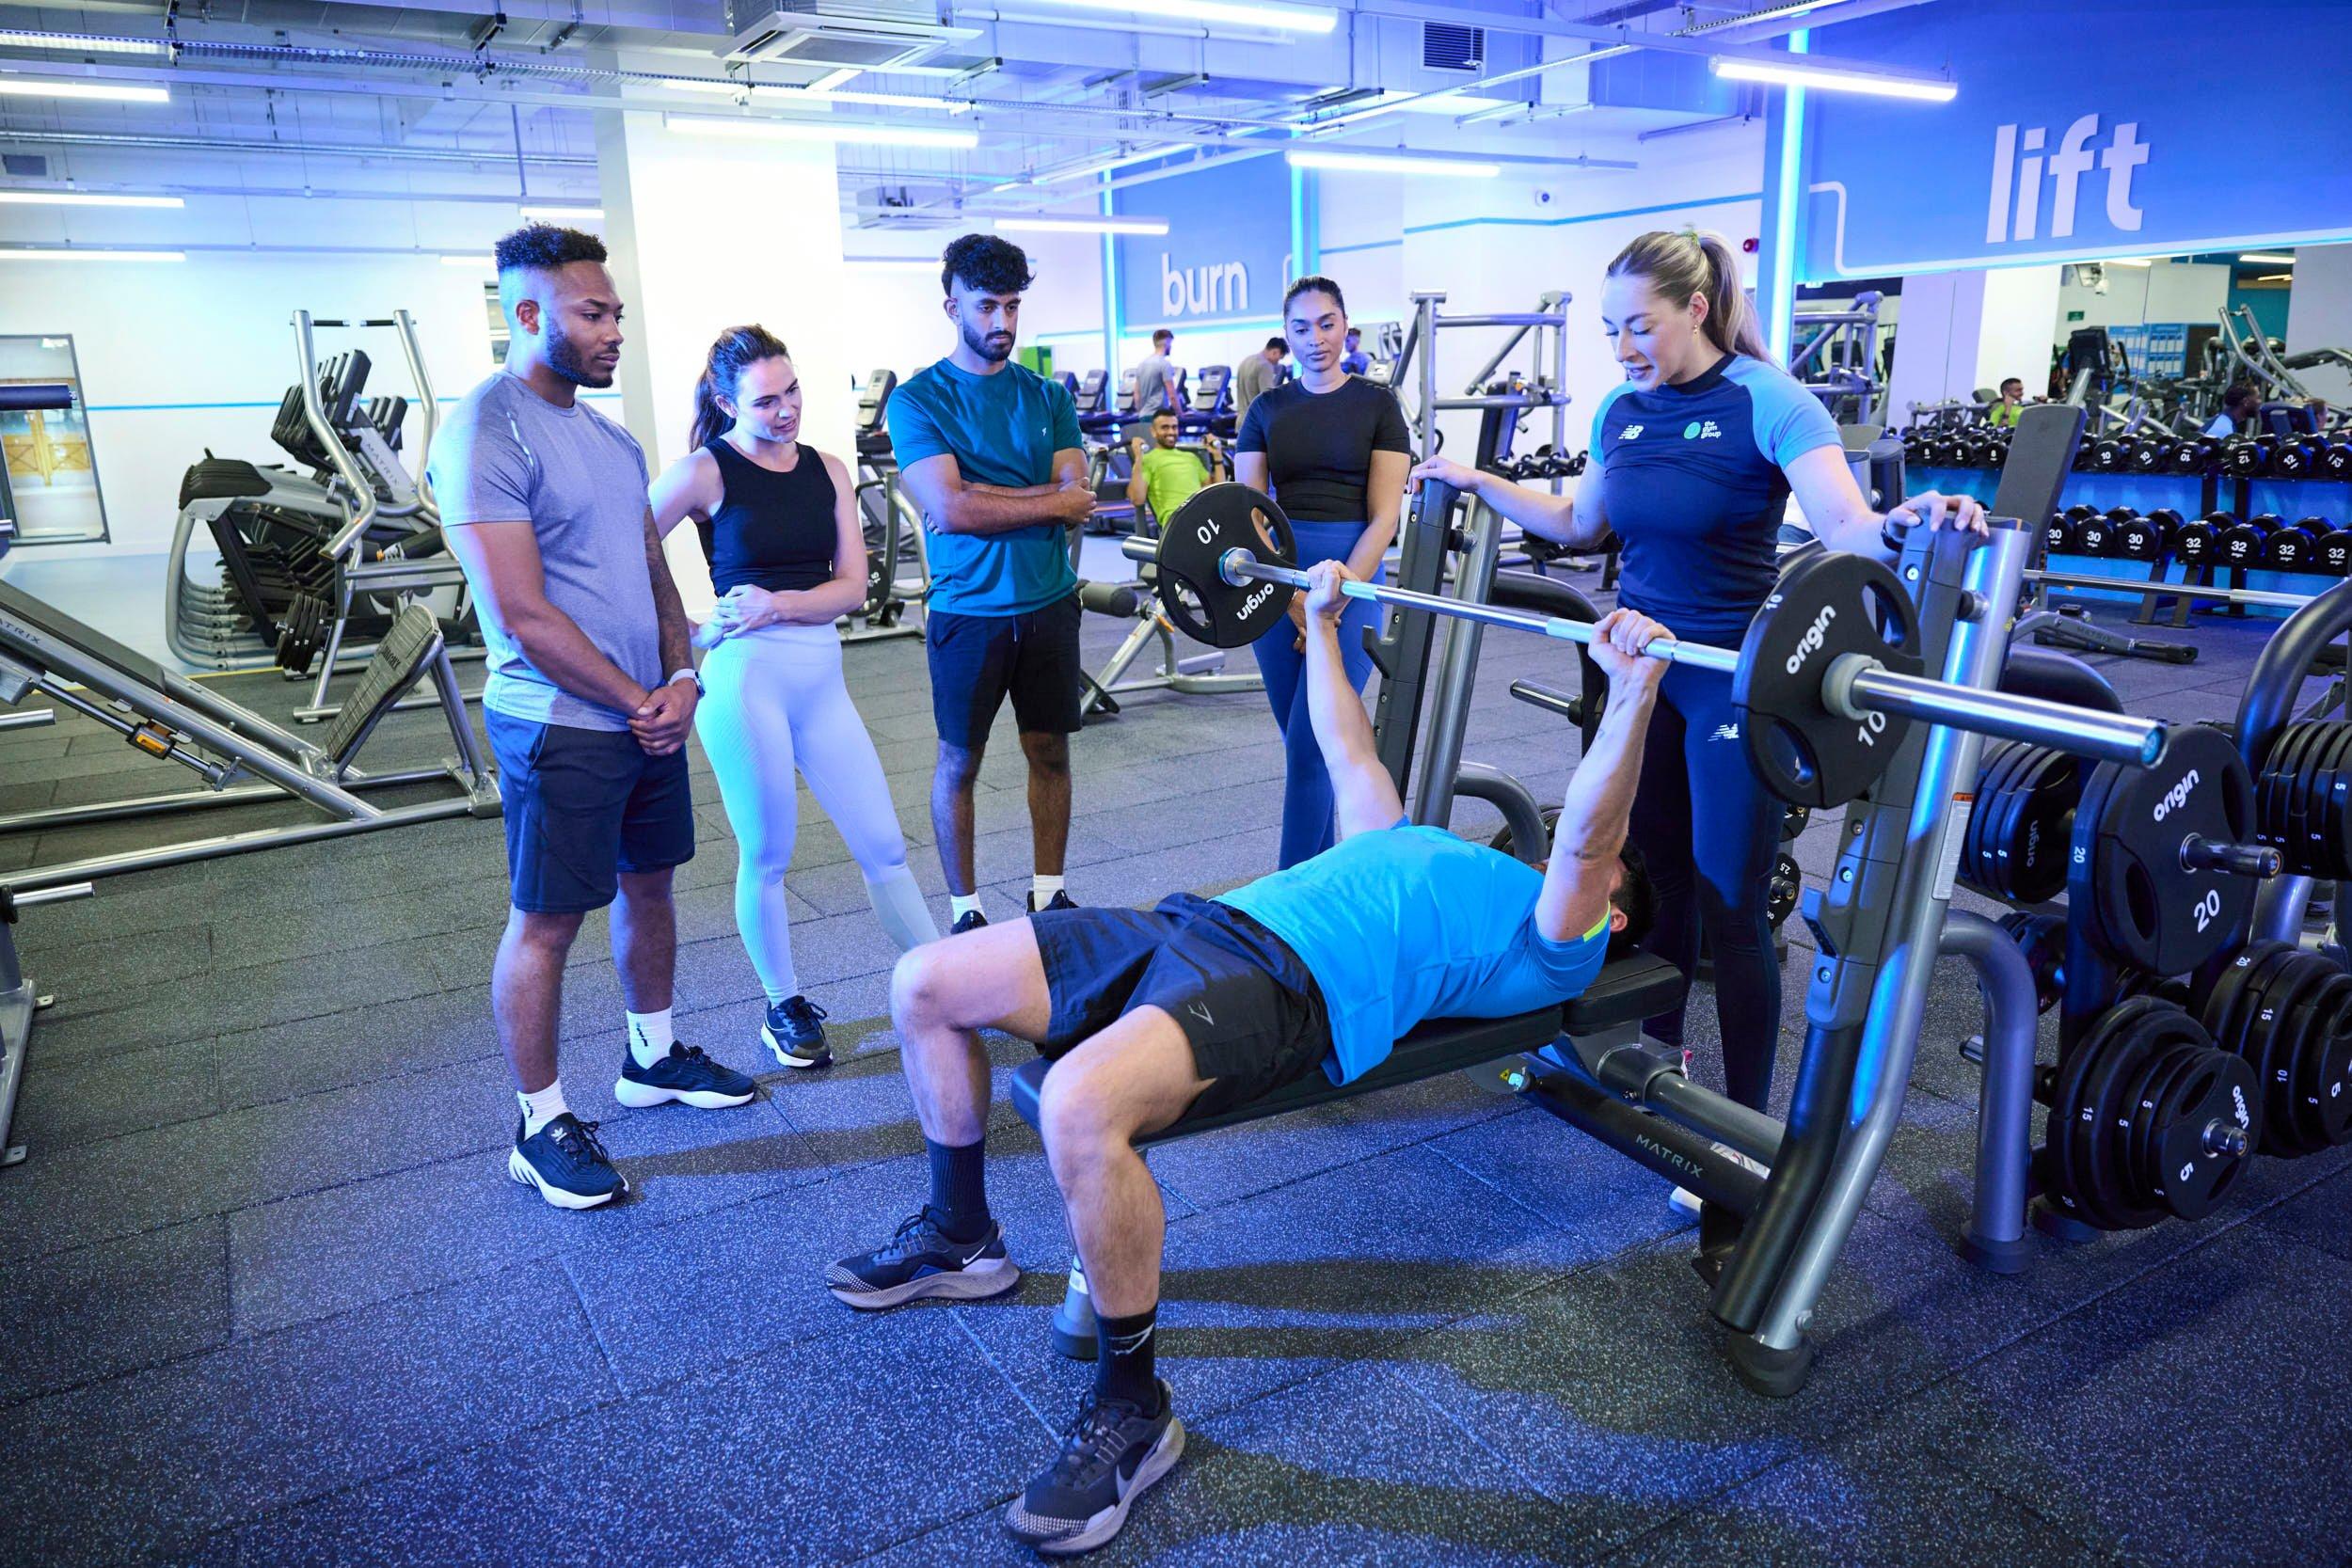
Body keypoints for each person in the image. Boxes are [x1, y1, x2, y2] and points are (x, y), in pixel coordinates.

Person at [825, 562, 1667, 1554]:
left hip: (1289, 985)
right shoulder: (1417, 843)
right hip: (1197, 920)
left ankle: (1132, 1406)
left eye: (1595, 871)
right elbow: (1347, 746)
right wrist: (1317, 626)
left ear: (1612, 916)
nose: (1558, 851)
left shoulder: (1555, 936)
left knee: (1077, 1104)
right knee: (922, 981)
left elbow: (1588, 837)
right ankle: (961, 1234)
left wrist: (1631, 689)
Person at [1407, 228, 1986, 1142]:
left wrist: (1917, 520)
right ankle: (1663, 1071)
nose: (1624, 347)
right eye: (1610, 331)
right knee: (1660, 883)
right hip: (1637, 678)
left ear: (1697, 309)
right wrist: (1476, 479)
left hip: (1730, 683)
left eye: (1639, 325)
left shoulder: (1770, 401)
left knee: (1731, 900)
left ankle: (1746, 1129)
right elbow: (1576, 520)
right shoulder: (1616, 413)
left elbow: (1847, 527)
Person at [432, 224, 755, 1212]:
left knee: (649, 885)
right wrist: (633, 701)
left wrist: (682, 677)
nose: (616, 328)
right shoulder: (485, 430)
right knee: (547, 921)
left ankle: (651, 1056)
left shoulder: (611, 439)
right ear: (528, 315)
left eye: (615, 310)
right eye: (594, 312)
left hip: (644, 714)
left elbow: (656, 571)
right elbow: (519, 613)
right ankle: (538, 1121)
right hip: (561, 723)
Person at [647, 325, 938, 1070]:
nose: (786, 411)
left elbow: (851, 587)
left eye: (793, 391)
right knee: (769, 852)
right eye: (766, 400)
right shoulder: (706, 472)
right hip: (743, 683)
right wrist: (690, 627)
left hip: (820, 677)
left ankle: (947, 981)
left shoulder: (830, 469)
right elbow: (618, 556)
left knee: (883, 844)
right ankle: (783, 1005)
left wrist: (776, 603)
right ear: (724, 401)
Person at [888, 233, 1095, 933]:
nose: (1002, 322)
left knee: (1051, 750)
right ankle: (966, 909)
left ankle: (1048, 890)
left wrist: (983, 497)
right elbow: (950, 508)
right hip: (967, 612)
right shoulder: (917, 401)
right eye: (987, 306)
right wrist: (1035, 500)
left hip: (1048, 603)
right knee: (959, 761)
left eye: (1012, 305)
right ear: (953, 306)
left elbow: (1078, 493)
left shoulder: (1047, 395)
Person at [1234, 275, 1411, 868]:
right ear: (1285, 334)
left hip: (1352, 577)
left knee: (1315, 745)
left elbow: (1385, 515)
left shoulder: (1379, 405)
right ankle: (1327, 883)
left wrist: (1333, 598)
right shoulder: (1266, 409)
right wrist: (1291, 594)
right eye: (1301, 328)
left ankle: (1286, 901)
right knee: (1302, 745)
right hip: (1275, 580)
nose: (1316, 339)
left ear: (1344, 323)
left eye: (1327, 323)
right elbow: (1249, 510)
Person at [1124, 408, 1224, 526]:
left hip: (1204, 517)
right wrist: (1138, 457)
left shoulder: (1191, 457)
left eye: (1174, 427)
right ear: (1153, 431)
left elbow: (1218, 493)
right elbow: (1137, 499)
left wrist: (1217, 456)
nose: (1171, 432)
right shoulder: (1147, 460)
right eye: (1165, 427)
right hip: (1177, 520)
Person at [1232, 336, 1287, 423]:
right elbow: (1268, 398)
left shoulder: (1246, 360)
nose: (1277, 363)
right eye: (1279, 359)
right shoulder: (1265, 366)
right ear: (1275, 352)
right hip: (1255, 424)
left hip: (1241, 421)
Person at [1133, 327, 1181, 420]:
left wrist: (1140, 412)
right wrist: (1180, 414)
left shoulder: (1141, 365)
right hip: (1159, 417)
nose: (1171, 347)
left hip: (1143, 416)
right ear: (1166, 343)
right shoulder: (1164, 364)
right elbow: (1172, 395)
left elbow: (1137, 395)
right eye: (1170, 344)